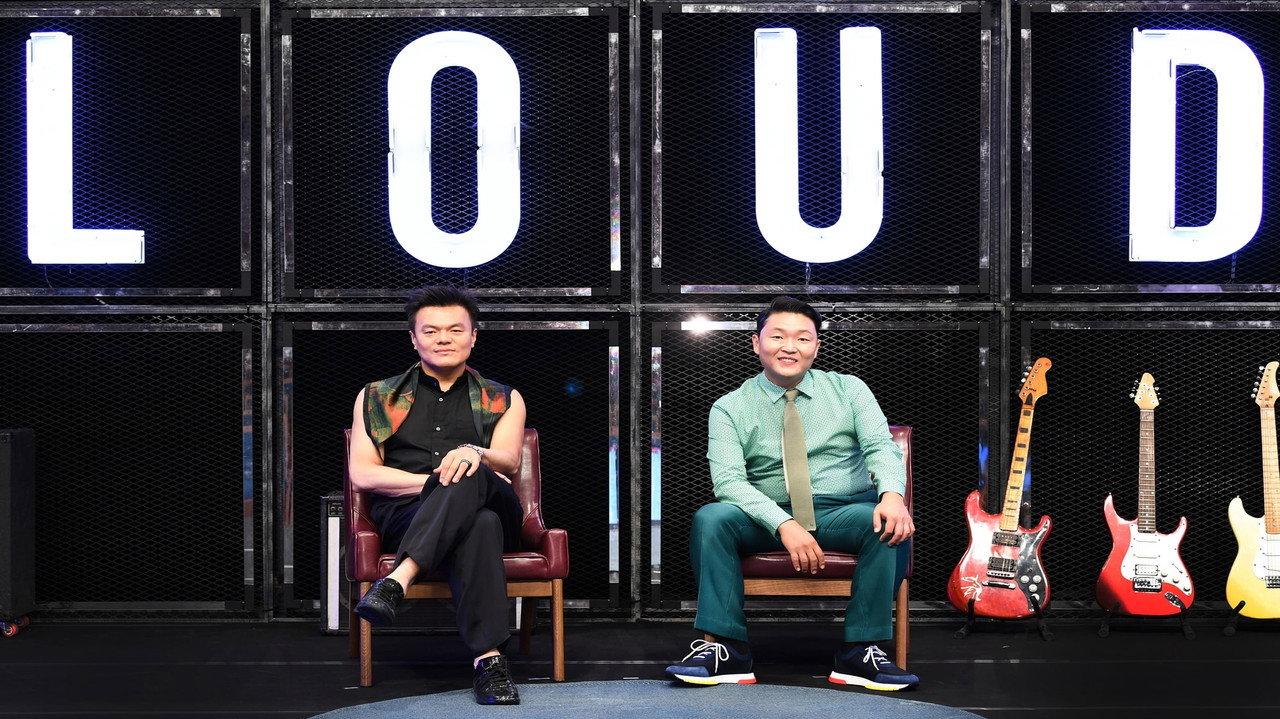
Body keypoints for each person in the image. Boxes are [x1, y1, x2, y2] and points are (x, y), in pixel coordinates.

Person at [664, 296, 919, 691]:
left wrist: (891, 495)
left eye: (802, 338)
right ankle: (728, 650)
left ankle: (859, 652)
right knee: (712, 518)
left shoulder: (849, 390)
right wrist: (783, 523)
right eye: (778, 336)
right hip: (766, 515)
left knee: (886, 523)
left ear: (816, 346)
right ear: (756, 343)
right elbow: (728, 482)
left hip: (841, 511)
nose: (790, 347)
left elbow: (880, 448)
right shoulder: (730, 407)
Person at [348, 286, 528, 705]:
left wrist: (472, 453)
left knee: (470, 469)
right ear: (414, 339)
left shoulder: (503, 398)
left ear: (473, 336)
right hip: (408, 514)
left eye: (454, 330)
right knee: (477, 522)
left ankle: (398, 580)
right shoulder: (376, 397)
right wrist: (437, 480)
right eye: (430, 331)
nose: (443, 338)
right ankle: (489, 662)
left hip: (494, 501)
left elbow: (507, 462)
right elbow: (362, 473)